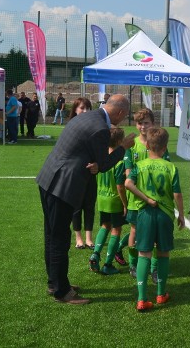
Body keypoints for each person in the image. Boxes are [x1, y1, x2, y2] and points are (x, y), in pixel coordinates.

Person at [36, 94, 136, 304]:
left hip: (49, 178)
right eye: (125, 115)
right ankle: (61, 291)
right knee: (59, 239)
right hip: (62, 185)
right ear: (119, 112)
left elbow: (91, 156)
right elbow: (105, 163)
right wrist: (124, 147)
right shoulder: (100, 128)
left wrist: (96, 164)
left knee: (51, 235)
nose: (124, 119)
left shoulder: (87, 117)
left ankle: (55, 282)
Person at [125, 127, 185, 312]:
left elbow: (128, 183)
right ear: (165, 147)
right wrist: (181, 214)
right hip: (165, 214)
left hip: (145, 214)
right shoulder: (170, 167)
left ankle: (142, 299)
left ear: (148, 145)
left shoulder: (140, 165)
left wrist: (145, 199)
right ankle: (160, 294)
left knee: (144, 253)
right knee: (163, 253)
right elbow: (177, 194)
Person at [122, 108, 160, 278]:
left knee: (153, 233)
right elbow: (128, 173)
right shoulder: (131, 145)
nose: (143, 126)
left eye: (146, 123)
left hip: (156, 197)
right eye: (140, 123)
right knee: (135, 231)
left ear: (152, 123)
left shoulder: (158, 143)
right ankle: (133, 264)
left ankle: (154, 267)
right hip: (136, 197)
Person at [89, 127, 128, 275]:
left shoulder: (102, 158)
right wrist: (125, 204)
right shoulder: (118, 161)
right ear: (119, 141)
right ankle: (108, 264)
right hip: (114, 200)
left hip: (102, 198)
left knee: (105, 226)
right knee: (116, 230)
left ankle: (95, 254)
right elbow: (120, 186)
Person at [68, 97, 95, 249]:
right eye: (82, 108)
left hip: (91, 172)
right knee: (76, 206)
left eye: (88, 108)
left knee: (89, 205)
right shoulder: (71, 127)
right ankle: (78, 238)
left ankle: (89, 238)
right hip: (75, 174)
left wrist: (96, 163)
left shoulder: (95, 126)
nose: (85, 111)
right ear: (75, 110)